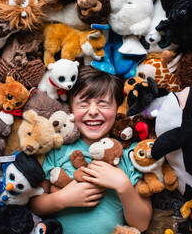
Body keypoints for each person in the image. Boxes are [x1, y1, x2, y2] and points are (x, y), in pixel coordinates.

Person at [30, 66, 152, 234]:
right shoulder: (57, 150)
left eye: (103, 104)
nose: (93, 111)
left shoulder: (129, 154)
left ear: (118, 108)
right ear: (71, 108)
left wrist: (123, 186)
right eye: (83, 104)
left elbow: (142, 223)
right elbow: (35, 204)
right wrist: (63, 199)